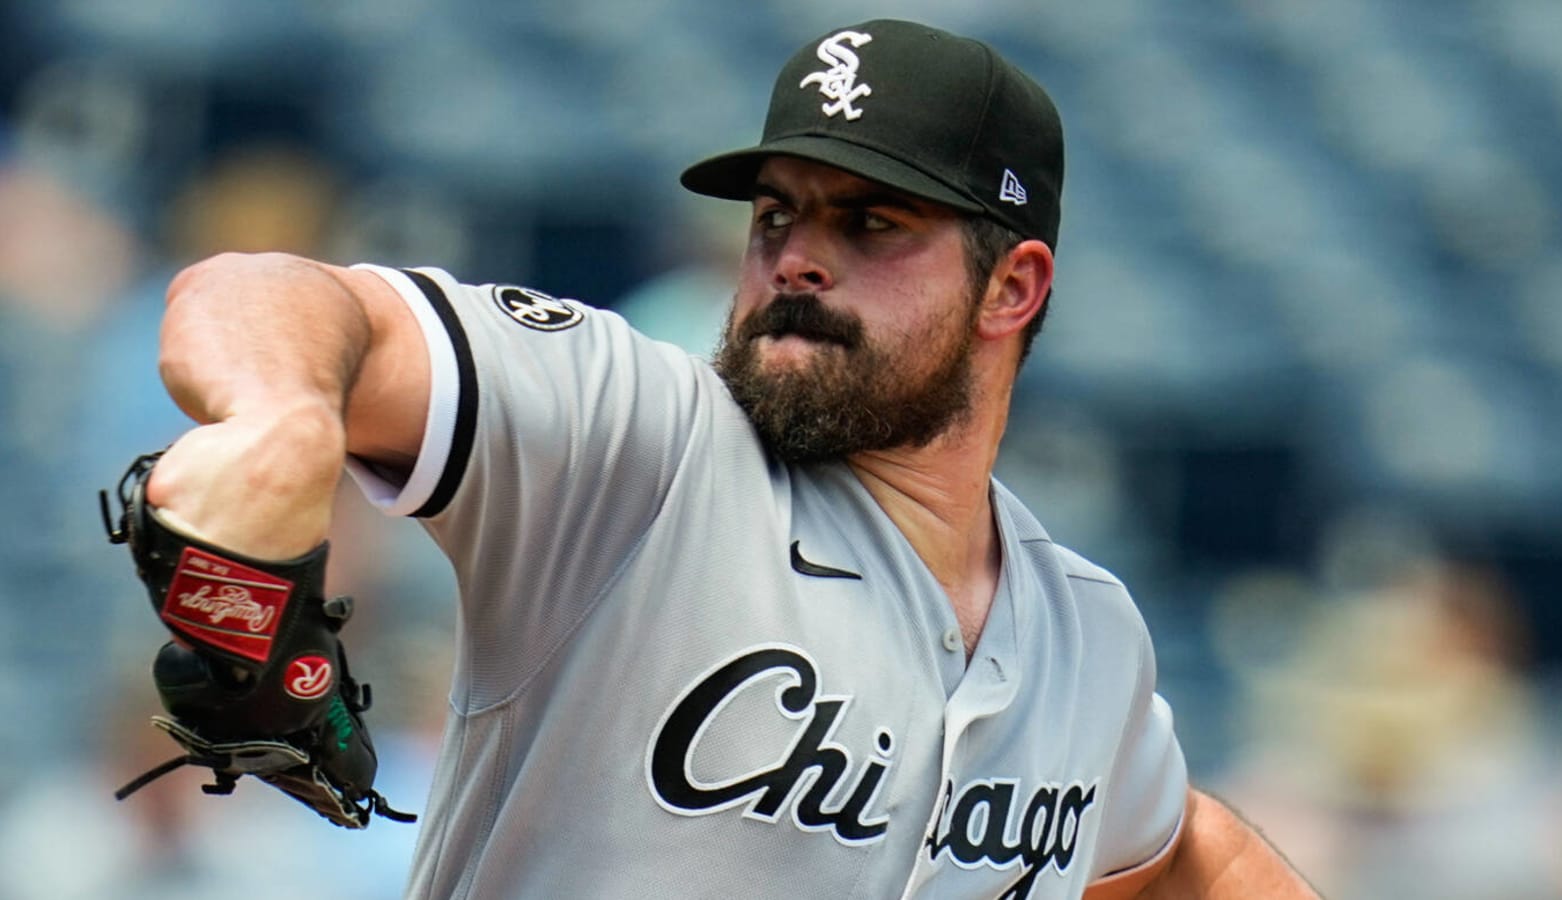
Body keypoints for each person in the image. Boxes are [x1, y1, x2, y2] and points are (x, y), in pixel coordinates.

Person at [140, 19, 1317, 899]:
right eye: (776, 217)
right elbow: (264, 295)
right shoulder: (642, 447)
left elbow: (1177, 854)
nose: (797, 259)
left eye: (869, 224)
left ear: (1011, 287)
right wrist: (283, 421)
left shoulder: (1086, 638)